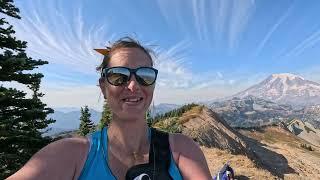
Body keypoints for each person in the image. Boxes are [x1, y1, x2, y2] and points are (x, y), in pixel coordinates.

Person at [7, 37, 212, 180]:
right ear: (104, 87)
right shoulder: (70, 154)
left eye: (145, 75)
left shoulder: (183, 150)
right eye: (118, 76)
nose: (133, 85)